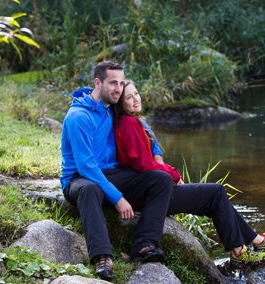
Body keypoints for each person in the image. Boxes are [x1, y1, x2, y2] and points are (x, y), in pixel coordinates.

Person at [114, 79, 265, 269]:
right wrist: (174, 175)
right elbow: (143, 165)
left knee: (215, 196)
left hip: (153, 191)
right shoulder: (128, 124)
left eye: (136, 93)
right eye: (129, 97)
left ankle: (251, 243)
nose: (136, 99)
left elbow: (148, 161)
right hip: (153, 195)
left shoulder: (133, 122)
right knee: (216, 192)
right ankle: (243, 250)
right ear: (121, 104)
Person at [61, 61, 174, 282]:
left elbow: (142, 123)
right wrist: (118, 198)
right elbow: (86, 167)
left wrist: (157, 152)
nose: (118, 89)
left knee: (161, 179)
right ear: (97, 82)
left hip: (112, 174)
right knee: (91, 189)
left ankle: (144, 245)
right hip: (79, 179)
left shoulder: (110, 108)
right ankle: (102, 258)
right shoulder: (78, 117)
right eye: (113, 83)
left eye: (121, 83)